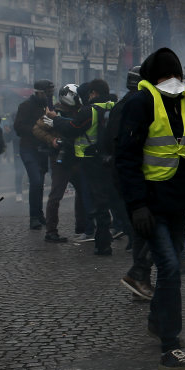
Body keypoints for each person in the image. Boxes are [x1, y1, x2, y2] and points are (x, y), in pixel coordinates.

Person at [115, 48, 185, 370]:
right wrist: (136, 205)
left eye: (175, 75)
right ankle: (171, 347)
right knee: (169, 267)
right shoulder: (139, 104)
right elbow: (126, 158)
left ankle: (156, 321)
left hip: (181, 200)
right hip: (151, 203)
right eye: (166, 76)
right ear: (153, 78)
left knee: (171, 265)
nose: (173, 82)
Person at [47, 79, 117, 255]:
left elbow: (73, 128)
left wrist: (56, 119)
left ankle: (102, 243)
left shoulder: (89, 110)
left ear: (93, 93)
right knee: (110, 199)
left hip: (90, 159)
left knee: (95, 201)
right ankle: (117, 233)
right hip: (109, 158)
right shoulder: (113, 106)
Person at [109, 66, 155, 301]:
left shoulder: (122, 105)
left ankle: (141, 276)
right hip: (136, 176)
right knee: (145, 228)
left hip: (127, 175)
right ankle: (140, 277)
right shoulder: (137, 106)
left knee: (141, 229)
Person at [32, 83, 87, 243]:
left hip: (76, 156)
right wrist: (52, 140)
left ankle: (81, 226)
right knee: (56, 195)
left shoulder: (79, 111)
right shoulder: (54, 112)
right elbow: (37, 129)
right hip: (60, 158)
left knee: (83, 192)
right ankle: (51, 230)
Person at [14, 80, 55, 230]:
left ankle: (39, 213)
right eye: (46, 92)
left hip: (43, 150)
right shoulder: (25, 106)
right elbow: (18, 127)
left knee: (40, 183)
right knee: (36, 180)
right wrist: (35, 129)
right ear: (37, 92)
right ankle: (33, 217)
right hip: (28, 149)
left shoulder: (48, 106)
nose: (49, 95)